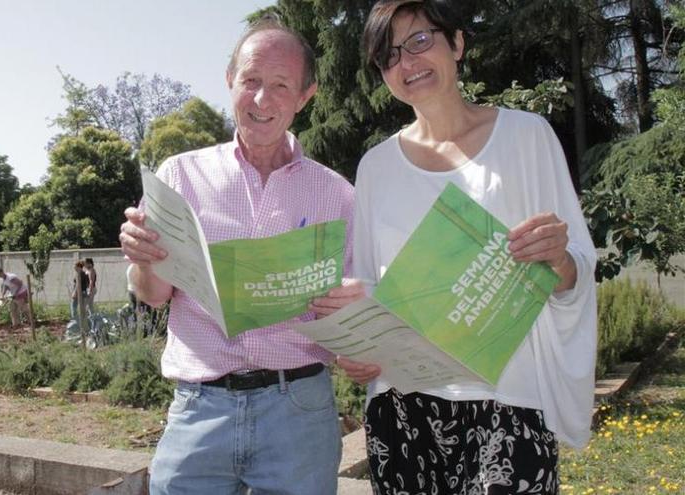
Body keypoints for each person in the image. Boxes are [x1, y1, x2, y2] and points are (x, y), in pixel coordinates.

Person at [311, 2, 598, 494]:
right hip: (402, 408)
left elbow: (576, 272)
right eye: (389, 55)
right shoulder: (376, 167)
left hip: (509, 400)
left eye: (420, 41)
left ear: (457, 44)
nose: (408, 63)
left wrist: (560, 260)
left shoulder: (526, 137)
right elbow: (374, 292)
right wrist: (358, 353)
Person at [119, 17, 357, 495]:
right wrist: (144, 259)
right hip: (200, 407)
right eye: (250, 81)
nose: (262, 100)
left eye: (280, 85)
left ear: (305, 96)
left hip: (300, 411)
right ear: (230, 81)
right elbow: (153, 296)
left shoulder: (338, 195)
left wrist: (351, 307)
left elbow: (353, 312)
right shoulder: (180, 176)